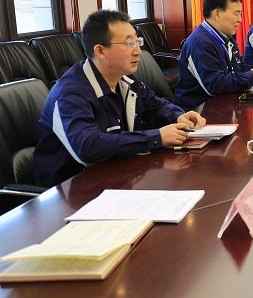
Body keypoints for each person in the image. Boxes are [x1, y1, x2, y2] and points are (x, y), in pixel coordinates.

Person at [32, 10, 206, 187]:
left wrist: (178, 115)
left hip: (116, 173)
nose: (138, 51)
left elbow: (154, 103)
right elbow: (88, 146)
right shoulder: (70, 93)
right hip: (70, 188)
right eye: (129, 43)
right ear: (100, 51)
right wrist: (156, 137)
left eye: (137, 42)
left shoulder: (123, 78)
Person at [175, 0, 253, 110]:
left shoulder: (226, 37)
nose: (240, 19)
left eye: (241, 14)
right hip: (199, 110)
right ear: (217, 14)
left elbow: (238, 68)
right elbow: (215, 85)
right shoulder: (200, 42)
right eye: (236, 13)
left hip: (224, 104)